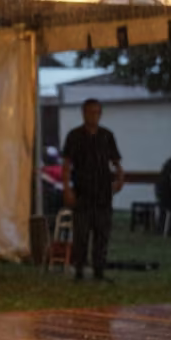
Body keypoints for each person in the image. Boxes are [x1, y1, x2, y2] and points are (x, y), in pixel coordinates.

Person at [61, 98, 124, 281]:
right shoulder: (74, 136)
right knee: (81, 233)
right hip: (82, 190)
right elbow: (66, 164)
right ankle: (79, 268)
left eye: (97, 112)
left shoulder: (106, 135)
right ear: (83, 113)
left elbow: (116, 161)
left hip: (103, 191)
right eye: (90, 112)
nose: (93, 116)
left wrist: (119, 179)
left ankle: (99, 269)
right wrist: (67, 189)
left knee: (102, 232)